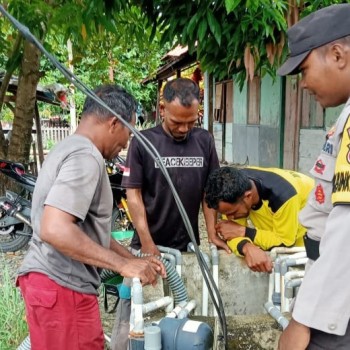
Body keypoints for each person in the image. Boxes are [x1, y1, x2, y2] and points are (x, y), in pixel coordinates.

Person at [16, 84, 165, 350]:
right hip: (62, 286)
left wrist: (134, 260)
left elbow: (86, 233)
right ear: (113, 123)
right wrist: (122, 267)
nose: (126, 142)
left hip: (50, 284)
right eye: (128, 132)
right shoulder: (86, 156)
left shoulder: (70, 148)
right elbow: (56, 229)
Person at [111, 77, 229, 350]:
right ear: (162, 109)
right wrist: (148, 243)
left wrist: (212, 233)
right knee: (136, 319)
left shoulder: (204, 140)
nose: (184, 128)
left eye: (191, 121)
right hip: (147, 249)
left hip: (188, 248)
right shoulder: (143, 142)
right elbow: (134, 195)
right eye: (177, 121)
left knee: (182, 313)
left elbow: (208, 194)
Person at [276, 4, 350, 349]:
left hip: (337, 304)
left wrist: (303, 319)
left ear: (337, 54)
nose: (303, 84)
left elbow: (346, 229)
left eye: (304, 70)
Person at [204, 166, 314, 273]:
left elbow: (285, 242)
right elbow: (231, 233)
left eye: (232, 213)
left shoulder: (284, 197)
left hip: (313, 248)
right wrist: (246, 247)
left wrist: (244, 232)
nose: (229, 218)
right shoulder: (234, 188)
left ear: (248, 197)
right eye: (225, 214)